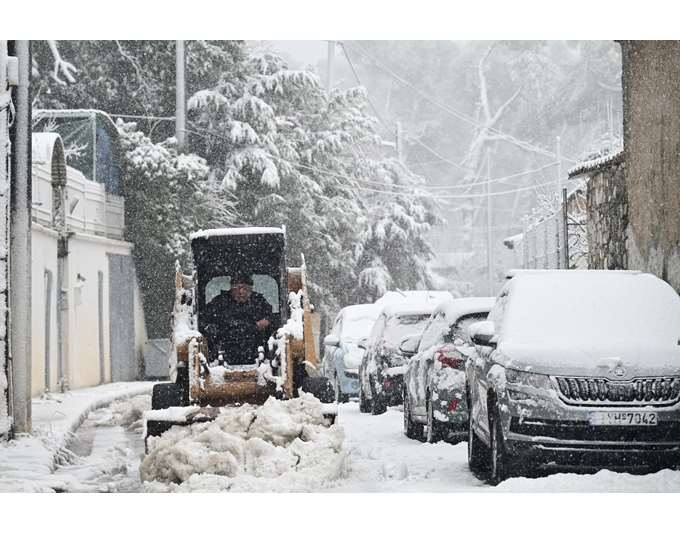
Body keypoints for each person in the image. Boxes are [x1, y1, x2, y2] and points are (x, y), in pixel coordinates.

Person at [204, 272, 273, 365]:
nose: (241, 292)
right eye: (237, 288)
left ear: (251, 289)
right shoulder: (219, 302)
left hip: (256, 352)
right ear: (231, 288)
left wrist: (266, 322)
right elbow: (204, 320)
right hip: (222, 352)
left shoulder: (259, 302)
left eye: (245, 288)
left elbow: (272, 319)